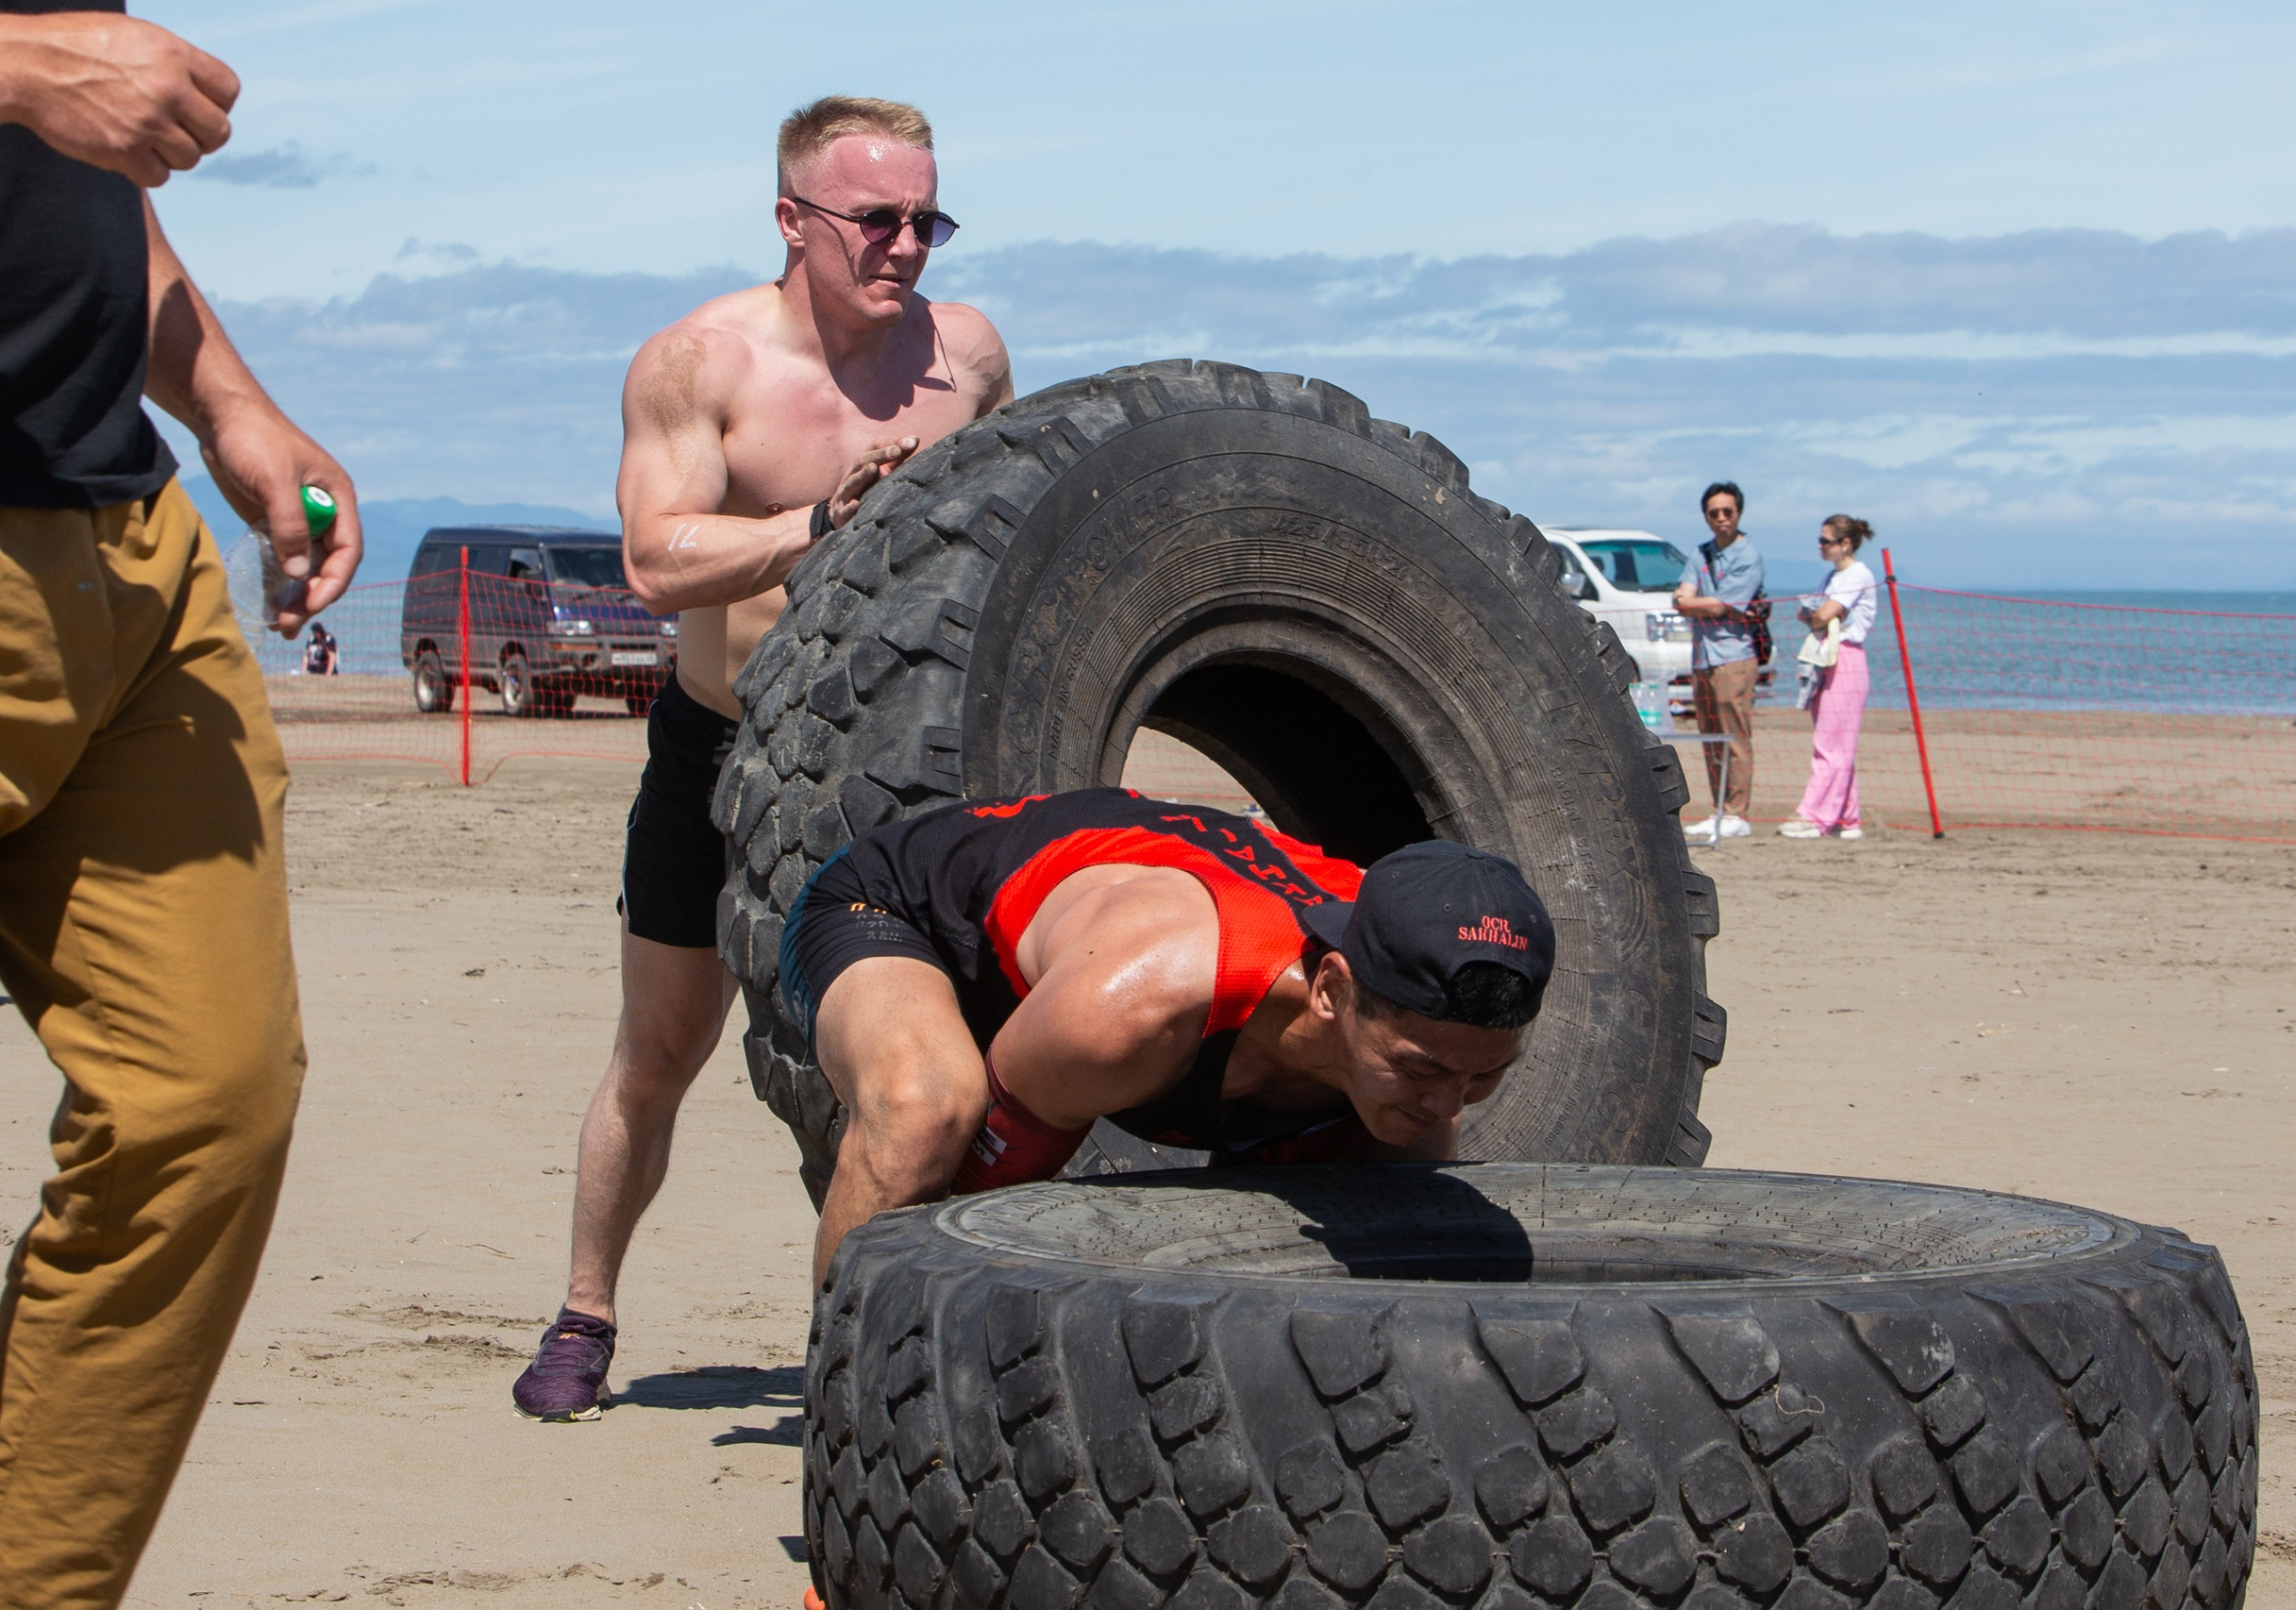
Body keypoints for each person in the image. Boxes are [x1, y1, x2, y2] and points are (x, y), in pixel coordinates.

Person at [510, 95, 1012, 1422]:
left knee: (935, 1059)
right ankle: (586, 1310)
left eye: (928, 220)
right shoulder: (700, 363)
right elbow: (653, 557)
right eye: (876, 218)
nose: (905, 245)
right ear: (793, 219)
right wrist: (812, 526)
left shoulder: (966, 357)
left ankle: (915, 1328)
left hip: (898, 771)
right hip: (721, 749)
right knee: (659, 1050)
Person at [0, 8, 363, 1602]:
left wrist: (227, 403)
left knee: (204, 1105)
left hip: (125, 543)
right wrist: (16, 65)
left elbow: (70, 183)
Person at [779, 790, 1556, 1283]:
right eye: (1421, 1069)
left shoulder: (1425, 1029)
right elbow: (970, 1219)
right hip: (904, 911)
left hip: (1109, 937)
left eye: (1483, 1076)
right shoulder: (1135, 1009)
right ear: (1332, 993)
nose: (1448, 1104)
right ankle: (841, 1413)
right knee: (927, 1109)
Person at [1672, 481, 1765, 838]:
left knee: (1734, 735)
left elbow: (1718, 604)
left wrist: (1693, 603)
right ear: (1706, 517)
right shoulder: (1701, 554)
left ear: (1739, 512)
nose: (1722, 518)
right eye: (1714, 513)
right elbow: (1684, 599)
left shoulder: (1748, 555)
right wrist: (1696, 603)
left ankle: (1737, 812)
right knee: (1710, 735)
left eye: (1728, 511)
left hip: (1733, 656)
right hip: (1702, 657)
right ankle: (1719, 809)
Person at [1782, 516, 1879, 841]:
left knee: (1831, 743)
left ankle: (1814, 815)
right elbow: (1812, 614)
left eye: (1826, 541)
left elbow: (1821, 614)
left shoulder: (1858, 573)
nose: (1820, 546)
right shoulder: (1832, 576)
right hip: (1826, 656)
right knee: (1836, 741)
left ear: (1845, 543)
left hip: (1845, 658)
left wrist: (1816, 615)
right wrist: (1815, 616)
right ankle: (1847, 817)